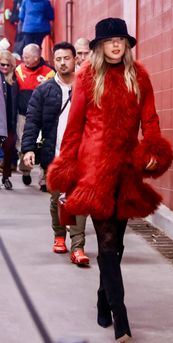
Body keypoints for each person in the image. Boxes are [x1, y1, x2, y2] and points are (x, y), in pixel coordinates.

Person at [47, 18, 173, 342]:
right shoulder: (88, 77)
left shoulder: (139, 77)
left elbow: (151, 119)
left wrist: (153, 151)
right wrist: (65, 166)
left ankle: (103, 298)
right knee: (104, 242)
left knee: (115, 245)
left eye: (121, 40)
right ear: (100, 46)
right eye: (110, 40)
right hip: (95, 170)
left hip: (126, 170)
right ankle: (122, 321)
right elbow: (74, 127)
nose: (116, 45)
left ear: (127, 45)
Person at [21, 41, 89, 265]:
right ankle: (59, 235)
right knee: (57, 199)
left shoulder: (87, 87)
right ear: (53, 61)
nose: (62, 63)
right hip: (55, 153)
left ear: (75, 59)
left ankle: (78, 246)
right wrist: (28, 149)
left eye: (66, 58)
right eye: (58, 59)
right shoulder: (44, 90)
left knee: (78, 200)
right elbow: (32, 121)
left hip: (81, 155)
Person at [15, 43, 55, 186]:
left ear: (37, 57)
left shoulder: (49, 72)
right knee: (23, 144)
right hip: (23, 115)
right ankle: (26, 171)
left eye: (27, 57)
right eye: (23, 56)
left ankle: (44, 179)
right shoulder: (18, 70)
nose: (23, 59)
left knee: (44, 146)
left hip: (44, 116)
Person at [0, 50, 17, 190]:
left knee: (8, 151)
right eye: (2, 64)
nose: (5, 67)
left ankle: (5, 177)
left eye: (8, 65)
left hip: (11, 122)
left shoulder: (15, 80)